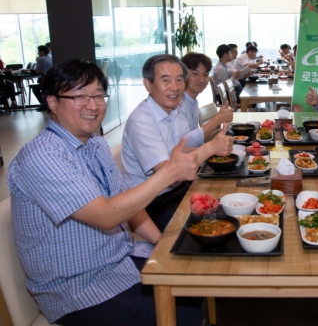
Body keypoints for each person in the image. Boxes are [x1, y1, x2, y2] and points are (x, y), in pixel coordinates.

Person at [7, 59, 203, 326]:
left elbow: (129, 208)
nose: (93, 105)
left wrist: (164, 245)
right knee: (184, 312)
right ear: (52, 103)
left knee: (195, 284)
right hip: (78, 289)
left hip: (120, 260)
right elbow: (105, 216)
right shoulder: (42, 156)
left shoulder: (96, 144)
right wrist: (169, 172)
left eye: (99, 95)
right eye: (80, 97)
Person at [122, 54, 233, 231]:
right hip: (151, 204)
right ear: (148, 84)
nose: (174, 87)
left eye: (179, 80)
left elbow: (186, 149)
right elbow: (169, 172)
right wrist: (211, 147)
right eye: (166, 80)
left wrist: (212, 147)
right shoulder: (141, 121)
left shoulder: (173, 110)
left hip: (179, 190)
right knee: (212, 228)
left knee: (231, 206)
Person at [180, 52, 234, 146]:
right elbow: (185, 142)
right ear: (183, 75)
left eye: (205, 74)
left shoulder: (192, 101)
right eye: (195, 73)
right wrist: (218, 119)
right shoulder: (178, 104)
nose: (201, 79)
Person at [33, 45, 53, 111]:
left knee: (35, 89)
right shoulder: (51, 56)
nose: (38, 53)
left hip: (47, 79)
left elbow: (38, 71)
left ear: (42, 52)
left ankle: (44, 104)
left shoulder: (41, 59)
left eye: (39, 51)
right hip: (54, 79)